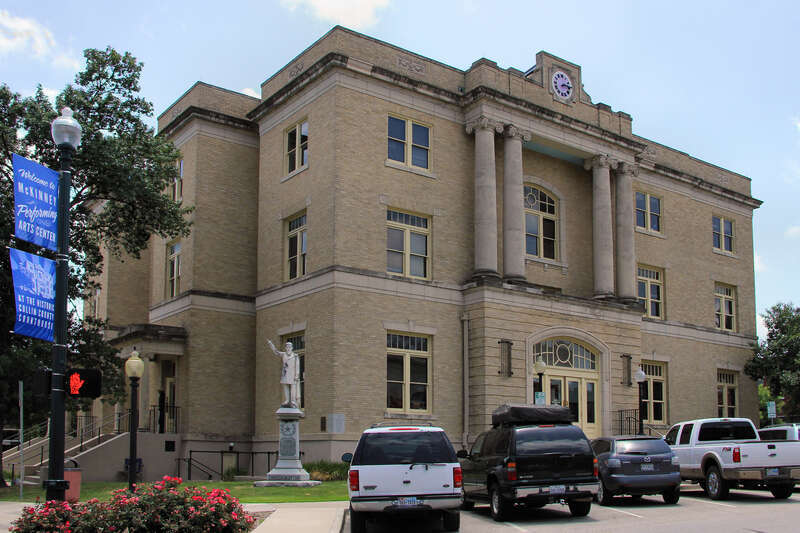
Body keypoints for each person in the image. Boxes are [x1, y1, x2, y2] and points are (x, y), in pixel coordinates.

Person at [268, 340, 300, 407]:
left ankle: (293, 401)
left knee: (293, 388)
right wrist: (271, 344)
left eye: (289, 347)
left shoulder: (295, 356)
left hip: (292, 374)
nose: (288, 348)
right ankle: (287, 400)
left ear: (292, 348)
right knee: (286, 387)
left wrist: (296, 375)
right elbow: (276, 352)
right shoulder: (283, 354)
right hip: (285, 373)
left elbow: (297, 366)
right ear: (285, 348)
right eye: (287, 347)